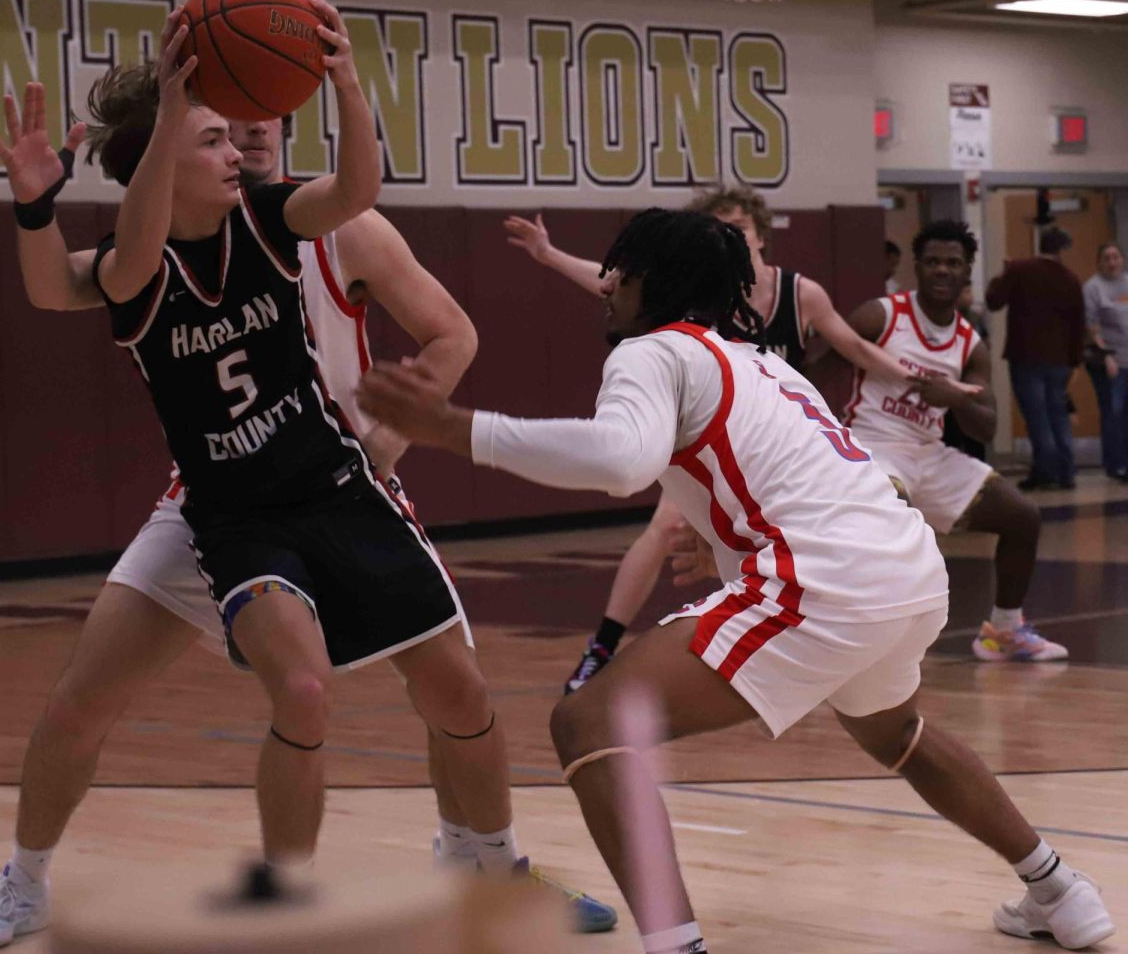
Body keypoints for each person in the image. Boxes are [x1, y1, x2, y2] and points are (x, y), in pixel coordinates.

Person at [0, 3, 614, 954]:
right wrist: (39, 200)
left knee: (457, 690)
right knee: (88, 698)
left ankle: (487, 863)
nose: (240, 139)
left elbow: (441, 310)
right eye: (216, 125)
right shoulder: (142, 256)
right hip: (215, 503)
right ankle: (25, 881)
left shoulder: (301, 214)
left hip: (337, 478)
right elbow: (56, 281)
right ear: (173, 146)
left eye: (244, 121)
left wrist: (386, 439)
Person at [358, 208, 1115, 954]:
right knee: (897, 732)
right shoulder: (760, 362)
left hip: (827, 578)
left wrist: (456, 428)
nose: (607, 282)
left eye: (619, 267)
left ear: (650, 279)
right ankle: (1059, 889)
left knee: (588, 723)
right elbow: (792, 473)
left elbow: (621, 461)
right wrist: (718, 536)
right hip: (908, 566)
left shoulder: (652, 350)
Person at [505, 184, 918, 694]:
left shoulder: (799, 293)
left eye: (739, 226)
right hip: (714, 437)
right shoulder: (690, 289)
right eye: (720, 226)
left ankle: (797, 629)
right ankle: (603, 646)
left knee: (870, 497)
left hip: (778, 443)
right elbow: (615, 280)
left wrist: (918, 379)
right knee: (663, 531)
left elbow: (854, 346)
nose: (730, 235)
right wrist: (549, 256)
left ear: (761, 233)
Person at [839, 221, 1067, 663]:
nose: (943, 271)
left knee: (1022, 516)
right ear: (917, 268)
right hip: (873, 444)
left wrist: (954, 399)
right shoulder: (881, 315)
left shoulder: (970, 344)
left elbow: (986, 426)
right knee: (893, 515)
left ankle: (1004, 631)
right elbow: (821, 361)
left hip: (929, 453)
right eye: (933, 262)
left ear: (967, 273)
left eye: (953, 263)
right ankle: (862, 638)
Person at [985, 225, 1085, 491]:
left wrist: (1003, 274)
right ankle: (1067, 473)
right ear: (1061, 250)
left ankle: (1045, 472)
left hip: (1026, 357)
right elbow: (1079, 324)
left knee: (1037, 417)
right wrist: (1074, 361)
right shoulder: (1071, 279)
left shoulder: (1019, 269)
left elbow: (994, 300)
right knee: (1058, 415)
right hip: (1060, 360)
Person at [1083, 241, 1128, 482]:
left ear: (1122, 260)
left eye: (1116, 257)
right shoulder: (1093, 288)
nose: (1112, 262)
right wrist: (1106, 355)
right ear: (1099, 262)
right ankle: (1116, 464)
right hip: (1109, 361)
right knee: (1113, 411)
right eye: (1107, 258)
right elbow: (1091, 326)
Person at [942, 278, 989, 461]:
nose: (970, 297)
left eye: (971, 292)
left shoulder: (974, 317)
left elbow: (984, 343)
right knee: (951, 433)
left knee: (973, 434)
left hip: (971, 380)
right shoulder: (943, 318)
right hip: (951, 381)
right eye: (965, 293)